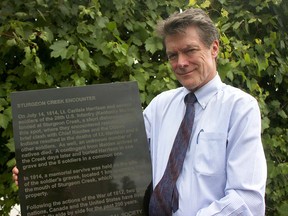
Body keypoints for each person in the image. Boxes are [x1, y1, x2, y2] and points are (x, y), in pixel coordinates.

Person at [13, 8, 267, 216]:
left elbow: (247, 200)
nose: (180, 63)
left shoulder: (240, 108)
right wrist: (44, 176)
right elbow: (118, 157)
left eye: (190, 50)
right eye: (172, 55)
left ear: (213, 48)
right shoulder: (160, 105)